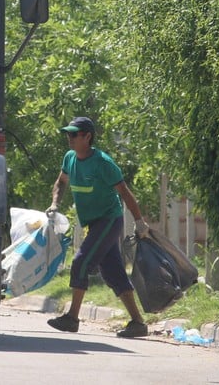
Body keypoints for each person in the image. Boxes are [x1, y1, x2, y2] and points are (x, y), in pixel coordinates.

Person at [46, 116, 151, 338]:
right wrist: (55, 204)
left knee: (81, 261)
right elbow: (61, 181)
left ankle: (72, 318)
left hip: (109, 220)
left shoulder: (103, 163)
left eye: (74, 134)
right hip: (93, 223)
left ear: (87, 136)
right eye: (68, 133)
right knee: (113, 272)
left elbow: (125, 193)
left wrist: (140, 221)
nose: (70, 138)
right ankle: (138, 323)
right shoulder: (70, 158)